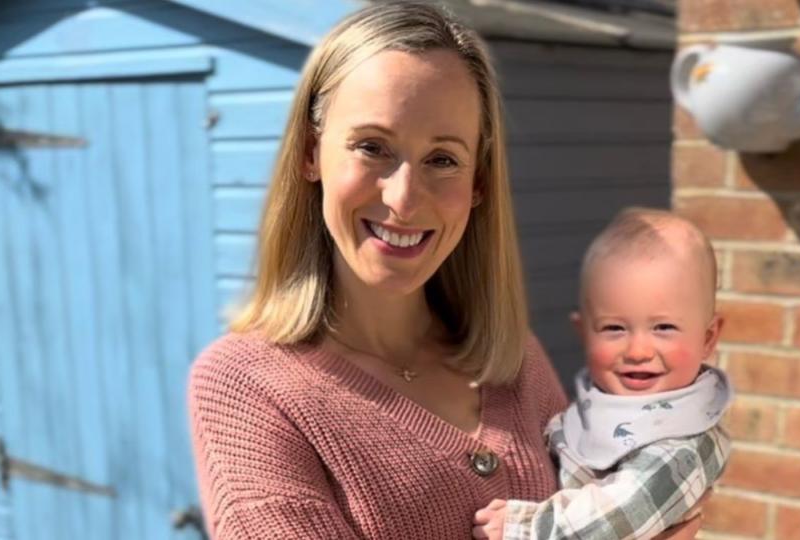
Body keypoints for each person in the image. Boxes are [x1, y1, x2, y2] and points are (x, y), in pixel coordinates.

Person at [187, 2, 705, 538]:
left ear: (477, 183)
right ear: (310, 154)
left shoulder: (513, 357)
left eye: (442, 159)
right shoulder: (246, 390)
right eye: (372, 147)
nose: (404, 199)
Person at [472, 208, 732, 540]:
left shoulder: (686, 440)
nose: (638, 351)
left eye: (664, 327)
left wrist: (526, 527)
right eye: (614, 328)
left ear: (707, 338)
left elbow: (621, 516)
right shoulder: (609, 403)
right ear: (584, 333)